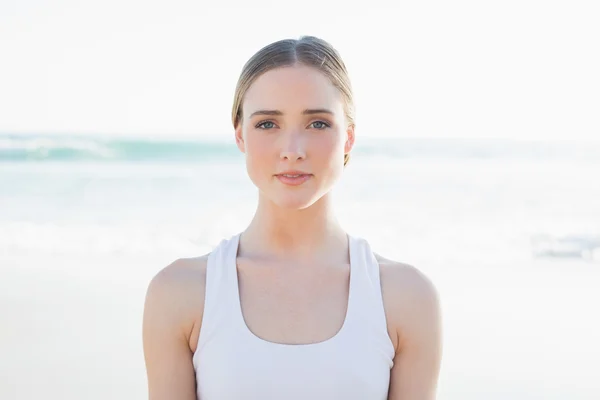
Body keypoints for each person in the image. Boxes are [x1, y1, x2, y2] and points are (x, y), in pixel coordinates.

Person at [142, 36, 443, 400]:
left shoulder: (404, 298)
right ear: (240, 135)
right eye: (268, 124)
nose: (292, 151)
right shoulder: (181, 293)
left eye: (317, 124)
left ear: (348, 138)